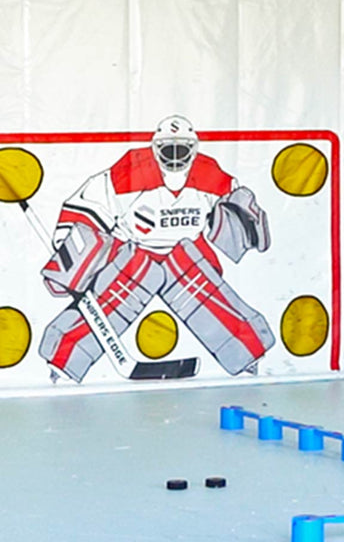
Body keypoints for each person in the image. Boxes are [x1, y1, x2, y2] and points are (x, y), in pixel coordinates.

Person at [38, 115, 275, 383]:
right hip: (136, 251)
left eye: (182, 149)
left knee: (209, 299)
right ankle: (62, 361)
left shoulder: (210, 175)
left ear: (194, 149)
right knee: (110, 301)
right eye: (168, 149)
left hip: (185, 251)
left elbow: (235, 207)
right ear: (155, 148)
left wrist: (242, 219)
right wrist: (69, 248)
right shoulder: (129, 171)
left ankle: (248, 354)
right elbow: (89, 204)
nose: (175, 156)